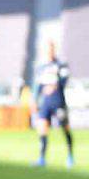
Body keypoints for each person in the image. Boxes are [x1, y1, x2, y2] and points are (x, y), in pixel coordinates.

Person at [33, 40, 74, 168]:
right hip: (45, 102)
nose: (49, 51)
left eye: (51, 48)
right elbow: (38, 86)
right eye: (47, 49)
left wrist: (54, 86)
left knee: (65, 128)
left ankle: (70, 155)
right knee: (42, 129)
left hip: (58, 101)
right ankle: (42, 158)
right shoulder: (41, 67)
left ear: (54, 49)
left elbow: (64, 80)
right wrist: (34, 100)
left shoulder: (60, 64)